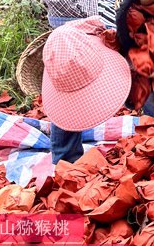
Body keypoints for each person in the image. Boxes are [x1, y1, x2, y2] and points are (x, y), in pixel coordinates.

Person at [41, 16, 132, 164]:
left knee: (141, 83)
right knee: (65, 112)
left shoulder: (108, 34)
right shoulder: (60, 57)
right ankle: (66, 159)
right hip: (69, 52)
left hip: (99, 42)